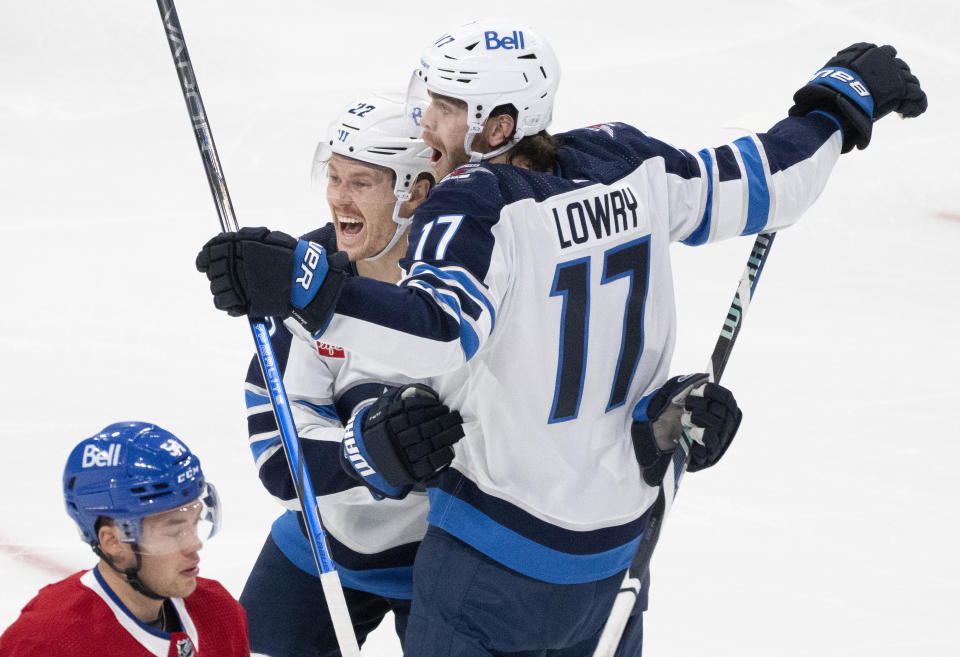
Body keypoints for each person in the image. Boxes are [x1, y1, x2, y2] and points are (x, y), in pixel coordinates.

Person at [195, 22, 926, 656]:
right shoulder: (629, 163)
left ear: (498, 125)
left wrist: (307, 290)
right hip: (611, 557)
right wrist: (834, 110)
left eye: (447, 108)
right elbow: (763, 183)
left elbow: (440, 333)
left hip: (488, 554)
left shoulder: (470, 208)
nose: (428, 126)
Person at [237, 92, 464, 656]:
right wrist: (364, 456)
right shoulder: (303, 278)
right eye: (334, 177)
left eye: (361, 182)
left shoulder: (470, 277)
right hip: (324, 543)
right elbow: (277, 454)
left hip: (451, 555)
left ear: (416, 190)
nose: (339, 197)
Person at [0, 421, 248, 657]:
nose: (194, 544)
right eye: (173, 532)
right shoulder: (48, 641)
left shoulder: (219, 612)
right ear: (113, 541)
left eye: (194, 523)